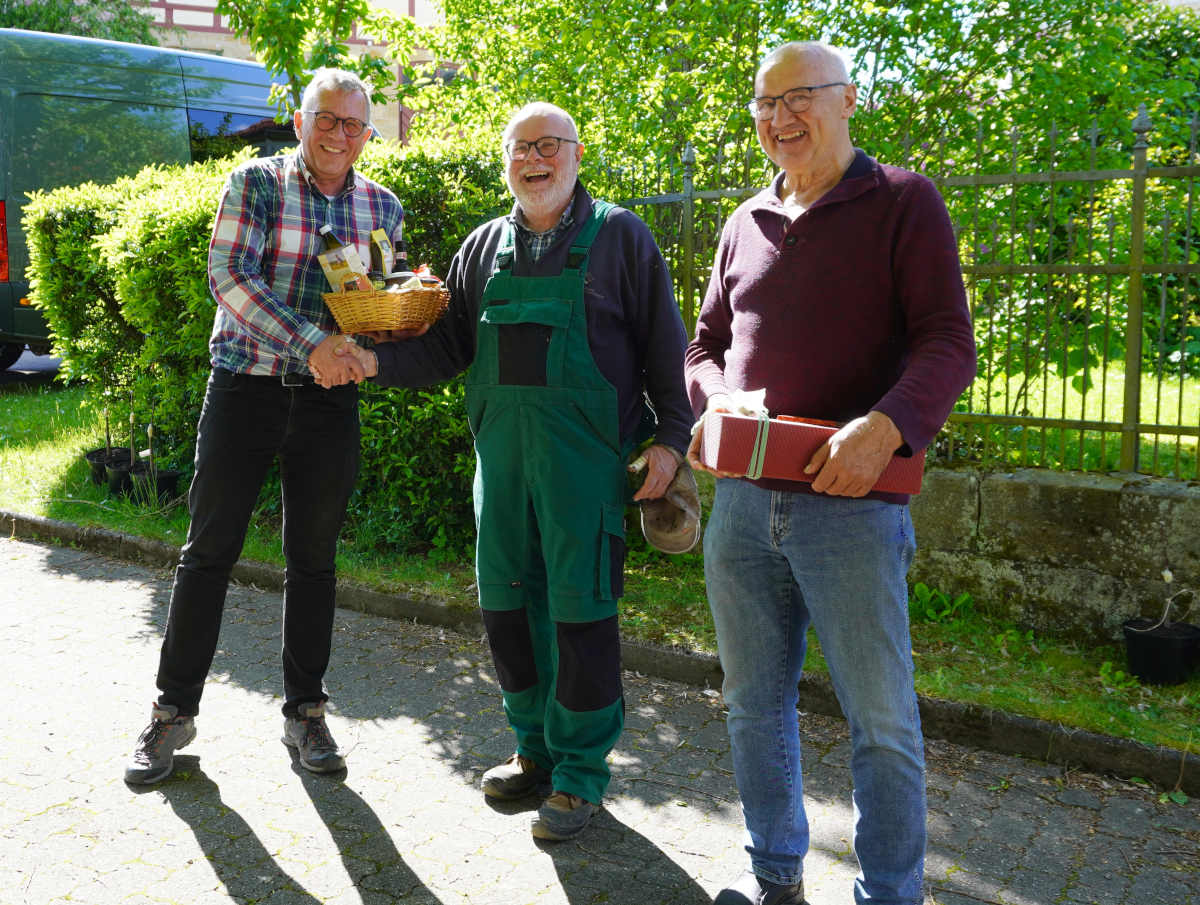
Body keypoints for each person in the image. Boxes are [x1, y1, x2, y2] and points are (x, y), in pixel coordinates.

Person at [340, 102, 694, 841]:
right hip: (501, 469)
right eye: (519, 148)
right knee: (505, 607)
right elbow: (449, 348)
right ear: (506, 161)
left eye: (548, 145)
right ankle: (533, 749)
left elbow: (667, 346)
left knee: (580, 612)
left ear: (576, 153)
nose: (533, 159)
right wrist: (372, 361)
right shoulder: (482, 247)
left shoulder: (621, 237)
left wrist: (671, 439)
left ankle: (580, 772)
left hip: (584, 470)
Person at [685, 42, 977, 905]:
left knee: (880, 720)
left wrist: (884, 428)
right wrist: (714, 402)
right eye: (764, 104)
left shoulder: (904, 201)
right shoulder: (744, 220)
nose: (779, 118)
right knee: (752, 704)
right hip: (743, 506)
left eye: (798, 98)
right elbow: (703, 346)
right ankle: (775, 874)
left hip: (852, 509)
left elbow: (947, 343)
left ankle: (889, 892)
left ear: (847, 100)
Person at [123, 69, 403, 785]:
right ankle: (171, 713)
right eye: (327, 119)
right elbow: (230, 277)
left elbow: (375, 300)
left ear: (368, 134)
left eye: (354, 124)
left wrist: (380, 331)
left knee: (314, 562)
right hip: (245, 389)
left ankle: (305, 712)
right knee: (207, 554)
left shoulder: (382, 206)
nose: (340, 135)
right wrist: (312, 344)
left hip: (328, 404)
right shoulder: (255, 184)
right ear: (301, 121)